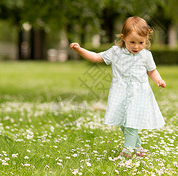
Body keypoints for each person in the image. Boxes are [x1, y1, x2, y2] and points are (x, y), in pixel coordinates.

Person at [70, 16, 166, 159]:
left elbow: (152, 70)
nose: (136, 46)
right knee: (123, 122)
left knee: (131, 122)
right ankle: (138, 147)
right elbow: (97, 57)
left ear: (147, 39)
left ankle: (127, 151)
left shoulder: (146, 55)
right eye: (132, 42)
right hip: (120, 92)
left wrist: (158, 80)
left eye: (141, 42)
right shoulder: (116, 52)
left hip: (139, 93)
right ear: (123, 38)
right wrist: (80, 51)